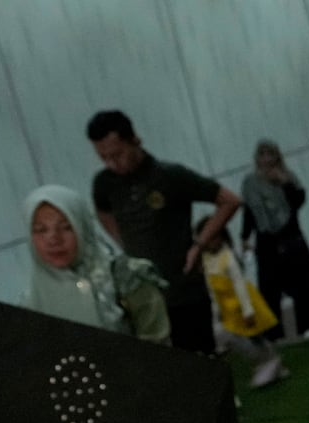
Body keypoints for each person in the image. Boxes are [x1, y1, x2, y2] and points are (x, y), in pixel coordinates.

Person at [88, 109, 241, 355]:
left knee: (202, 370)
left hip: (184, 292)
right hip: (143, 298)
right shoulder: (104, 184)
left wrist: (199, 245)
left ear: (134, 141)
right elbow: (103, 213)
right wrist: (124, 243)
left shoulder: (169, 176)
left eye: (117, 154)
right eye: (103, 157)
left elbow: (230, 201)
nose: (112, 163)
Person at [22, 184, 169, 344]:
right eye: (40, 230)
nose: (53, 239)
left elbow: (159, 351)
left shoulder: (127, 278)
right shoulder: (30, 304)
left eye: (66, 227)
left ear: (83, 228)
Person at [240, 140, 309, 340]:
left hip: (291, 237)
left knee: (303, 285)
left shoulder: (288, 177)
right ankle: (274, 334)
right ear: (256, 158)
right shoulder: (250, 183)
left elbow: (298, 202)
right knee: (269, 290)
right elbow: (250, 212)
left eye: (271, 154)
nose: (266, 159)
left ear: (278, 157)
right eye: (262, 154)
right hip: (266, 241)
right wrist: (244, 237)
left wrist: (284, 182)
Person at [195, 218, 289, 389]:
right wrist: (217, 310)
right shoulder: (206, 259)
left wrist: (248, 311)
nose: (211, 242)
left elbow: (239, 285)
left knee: (255, 335)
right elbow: (211, 288)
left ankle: (271, 363)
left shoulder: (228, 257)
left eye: (215, 237)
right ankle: (263, 362)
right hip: (227, 306)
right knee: (237, 337)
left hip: (242, 303)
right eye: (207, 239)